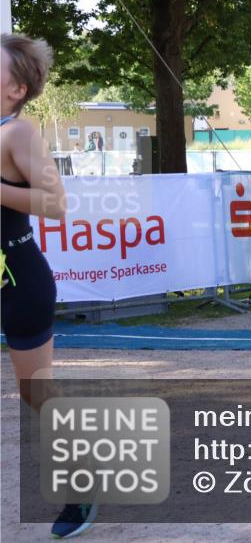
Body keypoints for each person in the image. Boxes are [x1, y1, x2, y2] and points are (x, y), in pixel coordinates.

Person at [2, 35, 97, 538]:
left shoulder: (18, 133)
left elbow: (56, 204)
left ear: (16, 88)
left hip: (18, 277)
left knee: (36, 393)